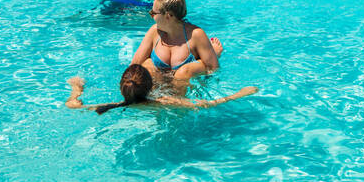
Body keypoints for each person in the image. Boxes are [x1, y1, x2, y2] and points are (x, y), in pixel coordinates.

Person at [132, 0, 222, 91]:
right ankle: (212, 54)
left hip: (183, 93)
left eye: (153, 13)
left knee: (184, 72)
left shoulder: (195, 35)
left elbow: (214, 71)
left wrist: (195, 69)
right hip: (158, 91)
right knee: (147, 65)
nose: (151, 16)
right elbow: (134, 66)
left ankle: (212, 55)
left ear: (168, 16)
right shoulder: (154, 32)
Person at [66, 67, 258, 114]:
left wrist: (77, 88)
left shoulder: (109, 106)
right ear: (151, 87)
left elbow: (72, 106)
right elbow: (207, 104)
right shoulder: (165, 102)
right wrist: (240, 94)